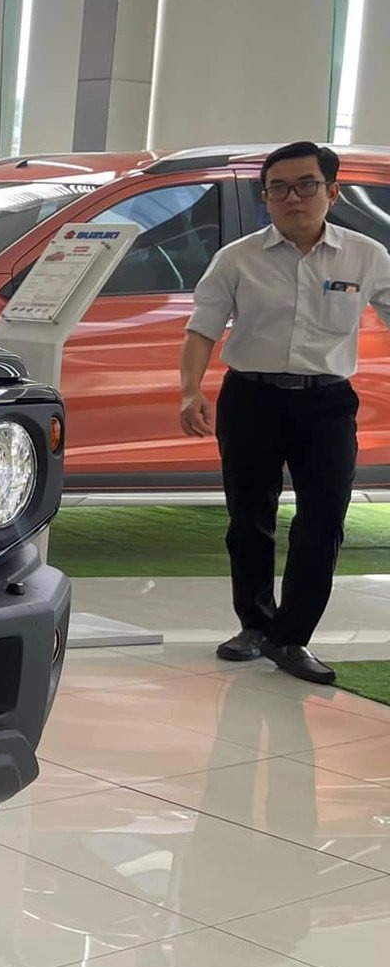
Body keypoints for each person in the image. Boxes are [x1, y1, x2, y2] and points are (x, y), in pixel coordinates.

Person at [180, 141, 390, 685]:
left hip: (327, 403)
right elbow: (202, 328)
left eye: (305, 185)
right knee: (249, 517)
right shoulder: (237, 258)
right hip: (252, 398)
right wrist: (190, 390)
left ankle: (291, 638)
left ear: (332, 192)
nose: (292, 197)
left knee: (324, 519)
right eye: (278, 188)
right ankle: (254, 625)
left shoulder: (367, 256)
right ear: (266, 196)